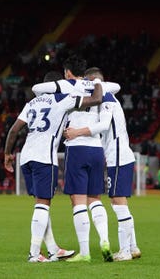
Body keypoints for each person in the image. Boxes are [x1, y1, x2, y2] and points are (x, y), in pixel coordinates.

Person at [4, 70, 103, 263]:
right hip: (44, 158)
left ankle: (52, 249)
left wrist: (7, 154)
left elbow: (14, 129)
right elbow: (96, 99)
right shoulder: (61, 99)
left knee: (41, 205)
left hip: (26, 157)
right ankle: (34, 253)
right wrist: (97, 82)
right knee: (43, 205)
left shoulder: (31, 103)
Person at [64, 67, 140, 262]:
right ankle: (133, 246)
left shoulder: (106, 97)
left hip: (117, 156)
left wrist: (77, 132)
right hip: (120, 154)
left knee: (118, 204)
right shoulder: (112, 98)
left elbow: (104, 126)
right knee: (121, 203)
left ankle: (124, 251)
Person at [58, 56, 112, 263]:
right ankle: (104, 240)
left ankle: (85, 252)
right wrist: (98, 82)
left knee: (77, 200)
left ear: (68, 72)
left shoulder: (67, 87)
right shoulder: (102, 89)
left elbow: (39, 90)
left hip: (76, 147)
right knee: (95, 199)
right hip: (97, 149)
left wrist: (75, 132)